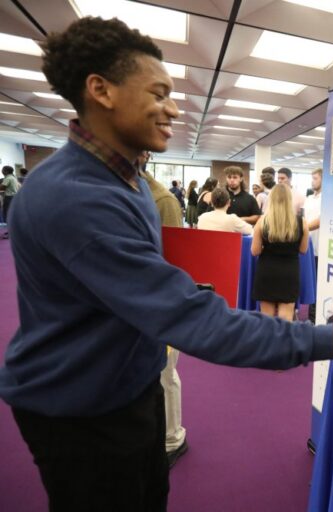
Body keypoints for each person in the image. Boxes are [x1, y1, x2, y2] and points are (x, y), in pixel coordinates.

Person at [0, 17, 333, 511]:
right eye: (159, 92)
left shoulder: (128, 181)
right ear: (101, 90)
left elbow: (137, 287)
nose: (172, 108)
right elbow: (191, 319)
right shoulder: (74, 196)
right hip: (79, 406)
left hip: (129, 385)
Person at [137, 151, 188, 469]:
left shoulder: (162, 200)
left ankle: (172, 438)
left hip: (159, 309)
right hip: (120, 310)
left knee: (164, 374)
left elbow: (176, 264)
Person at [251, 183, 308, 321]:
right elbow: (303, 250)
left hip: (267, 272)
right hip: (289, 273)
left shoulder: (262, 221)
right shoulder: (302, 222)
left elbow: (255, 251)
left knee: (267, 320)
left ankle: (267, 343)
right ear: (290, 200)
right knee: (286, 321)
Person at [304, 168, 322, 323]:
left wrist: (301, 229)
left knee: (317, 285)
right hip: (307, 246)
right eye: (312, 178)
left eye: (315, 178)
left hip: (320, 248)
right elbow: (305, 220)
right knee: (309, 283)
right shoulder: (309, 198)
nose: (312, 181)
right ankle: (310, 317)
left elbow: (320, 221)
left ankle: (314, 318)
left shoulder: (326, 198)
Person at [0, 165, 20, 239]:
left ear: (6, 171)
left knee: (8, 215)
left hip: (9, 198)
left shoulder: (8, 178)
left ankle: (11, 233)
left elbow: (2, 187)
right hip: (14, 197)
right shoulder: (13, 177)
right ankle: (12, 231)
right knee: (12, 214)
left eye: (2, 170)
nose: (2, 171)